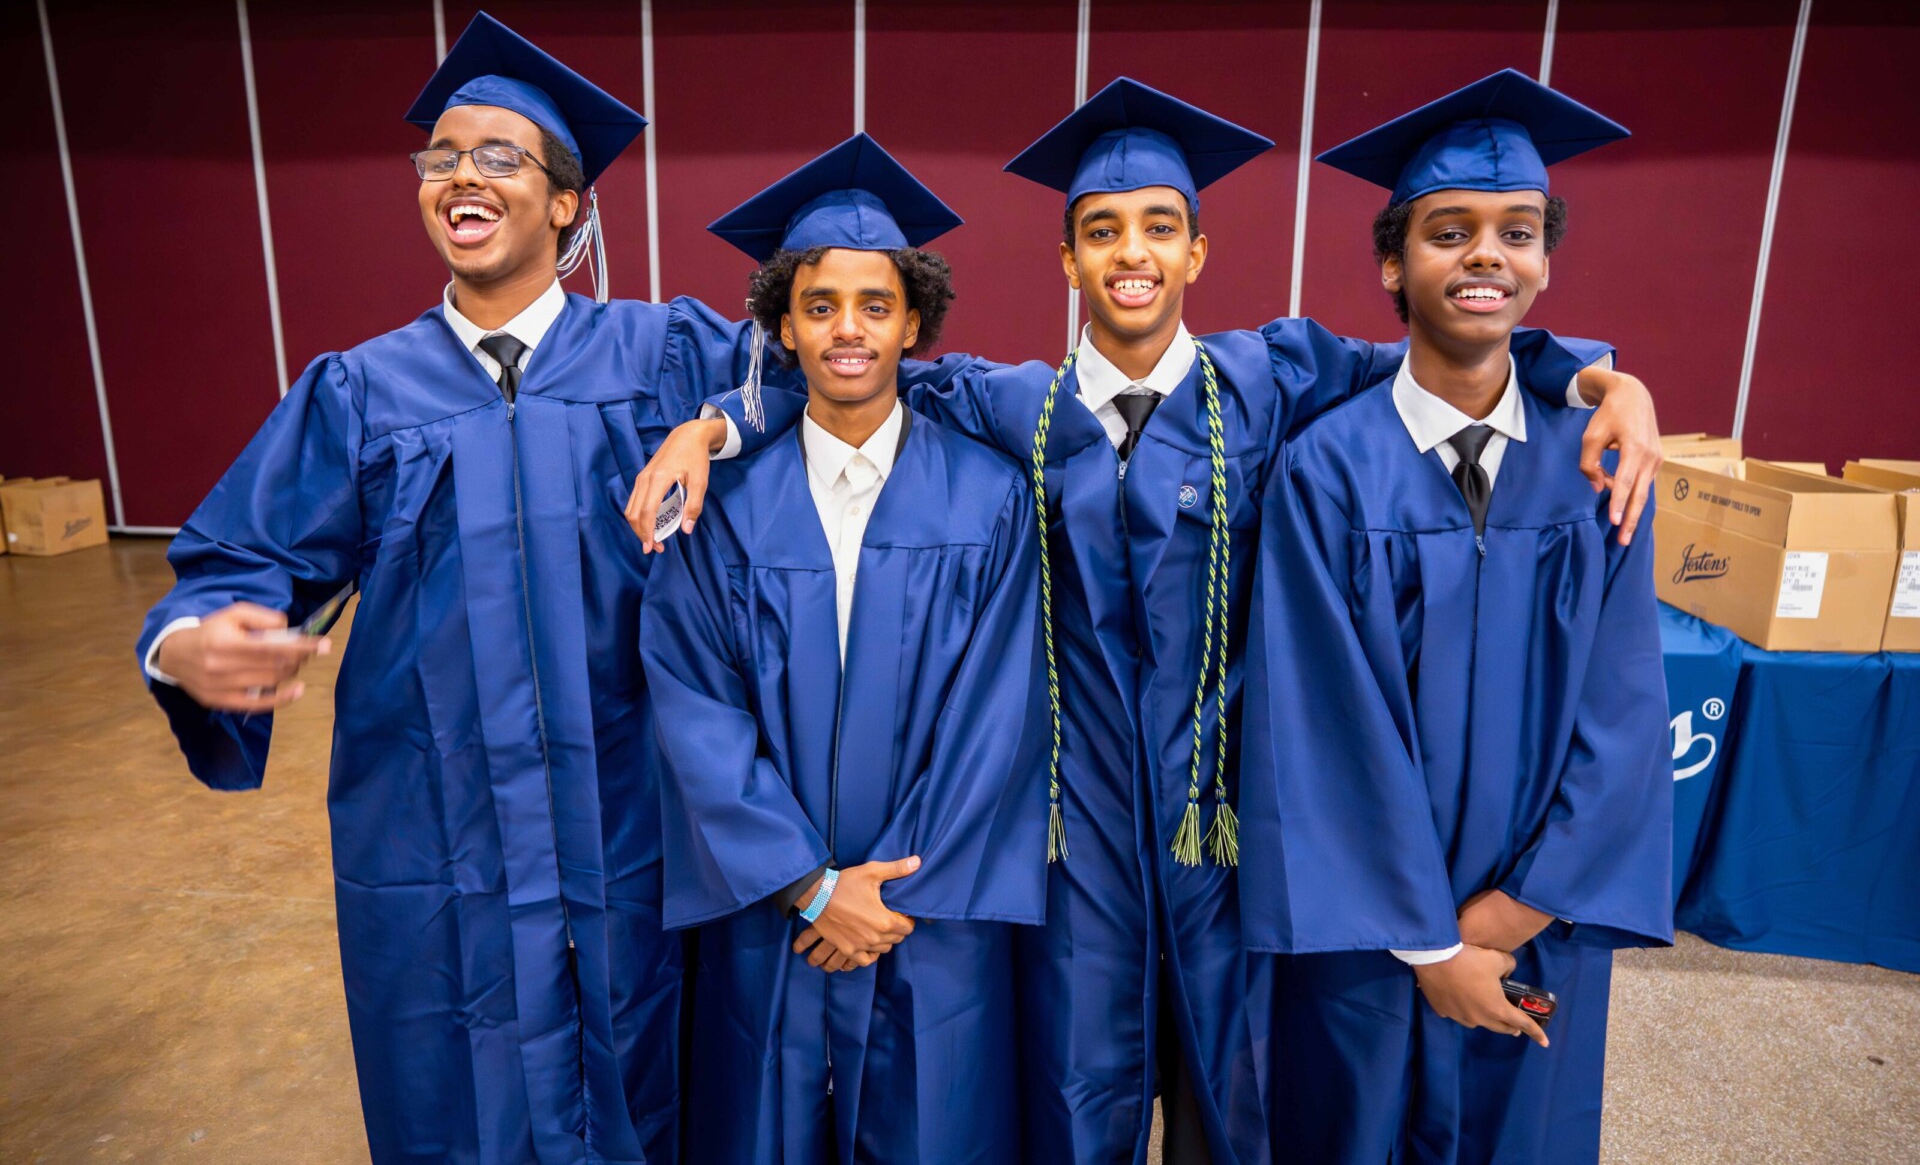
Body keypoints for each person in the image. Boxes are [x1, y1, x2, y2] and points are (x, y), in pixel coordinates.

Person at [629, 78, 1662, 1164]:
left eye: (1161, 227)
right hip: (1073, 834)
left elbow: (1448, 351)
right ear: (1069, 260)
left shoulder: (1272, 376)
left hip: (1231, 822)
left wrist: (1597, 376)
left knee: (1244, 1094)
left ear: (1198, 253)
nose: (1134, 251)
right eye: (1103, 230)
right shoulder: (1005, 399)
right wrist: (716, 427)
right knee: (1079, 1097)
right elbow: (851, 373)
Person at [134, 13, 773, 1164]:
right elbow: (242, 559)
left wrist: (716, 422)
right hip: (442, 819)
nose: (461, 176)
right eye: (440, 158)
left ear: (567, 204)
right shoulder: (361, 390)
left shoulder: (662, 351)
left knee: (651, 1059)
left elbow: (820, 366)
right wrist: (185, 641)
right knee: (457, 1077)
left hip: (633, 803)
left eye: (498, 156)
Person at [1239, 69, 1675, 1164]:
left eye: (1515, 232)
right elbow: (1318, 724)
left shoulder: (1596, 474)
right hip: (1366, 934)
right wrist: (1432, 942)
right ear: (1393, 262)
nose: (1486, 253)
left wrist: (1520, 907)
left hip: (1536, 919)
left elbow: (1623, 713)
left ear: (1543, 264)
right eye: (1449, 230)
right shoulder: (1325, 471)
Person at [639, 134, 1050, 1164]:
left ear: (914, 321)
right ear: (784, 325)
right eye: (820, 306)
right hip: (773, 905)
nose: (848, 329)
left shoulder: (991, 495)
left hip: (927, 905)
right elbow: (695, 703)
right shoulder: (720, 507)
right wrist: (809, 881)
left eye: (875, 304)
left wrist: (884, 893)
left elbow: (998, 718)